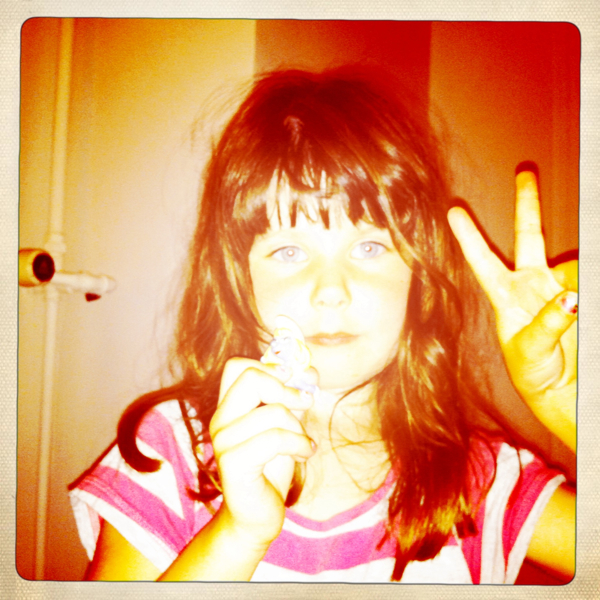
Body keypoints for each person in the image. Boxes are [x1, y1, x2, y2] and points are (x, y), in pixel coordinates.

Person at [69, 68, 577, 583]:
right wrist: (239, 535)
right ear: (240, 279)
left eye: (370, 247)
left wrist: (569, 406)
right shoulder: (168, 451)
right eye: (289, 252)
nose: (331, 290)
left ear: (417, 275)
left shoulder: (481, 478)